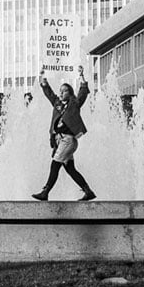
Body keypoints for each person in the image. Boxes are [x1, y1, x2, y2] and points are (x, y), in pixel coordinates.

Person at [32, 66, 97, 201]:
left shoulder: (74, 103)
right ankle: (88, 191)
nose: (61, 93)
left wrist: (81, 75)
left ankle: (45, 192)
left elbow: (83, 92)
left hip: (68, 140)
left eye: (64, 91)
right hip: (59, 141)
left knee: (55, 164)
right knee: (70, 169)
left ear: (70, 93)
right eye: (60, 91)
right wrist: (43, 77)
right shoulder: (57, 103)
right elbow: (48, 92)